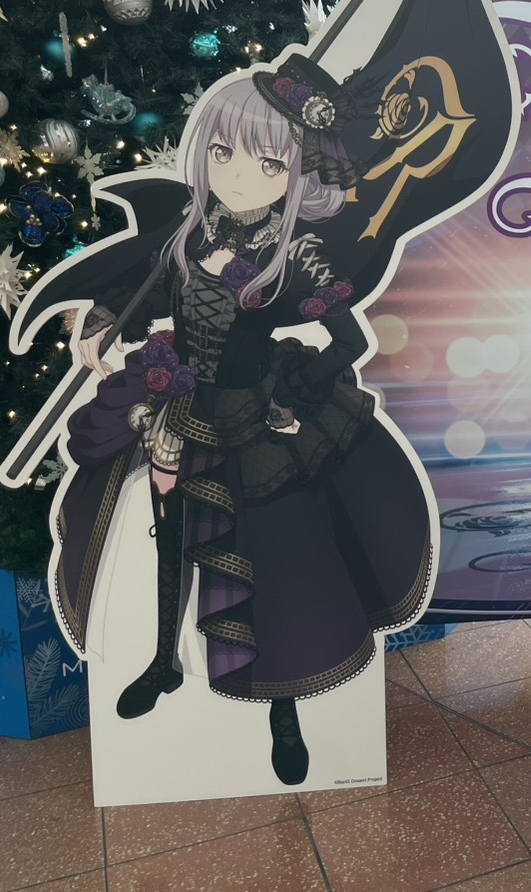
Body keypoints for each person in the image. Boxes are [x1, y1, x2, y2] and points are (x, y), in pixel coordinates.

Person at [53, 66, 436, 787]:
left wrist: (297, 391)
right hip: (177, 403)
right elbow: (144, 291)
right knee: (171, 535)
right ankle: (163, 662)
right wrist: (104, 317)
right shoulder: (190, 232)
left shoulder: (296, 254)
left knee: (270, 561)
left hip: (253, 418)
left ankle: (282, 709)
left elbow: (352, 342)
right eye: (222, 153)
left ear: (295, 173)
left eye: (267, 163)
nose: (237, 175)